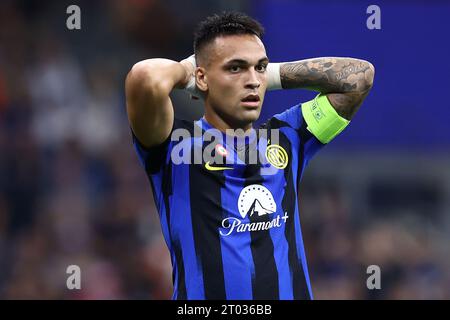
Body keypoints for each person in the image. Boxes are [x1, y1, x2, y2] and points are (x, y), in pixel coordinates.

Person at [125, 11, 374, 300]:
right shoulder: (174, 146)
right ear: (202, 78)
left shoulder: (288, 136)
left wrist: (272, 74)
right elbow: (145, 77)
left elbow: (358, 77)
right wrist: (188, 72)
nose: (253, 81)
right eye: (236, 68)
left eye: (260, 68)